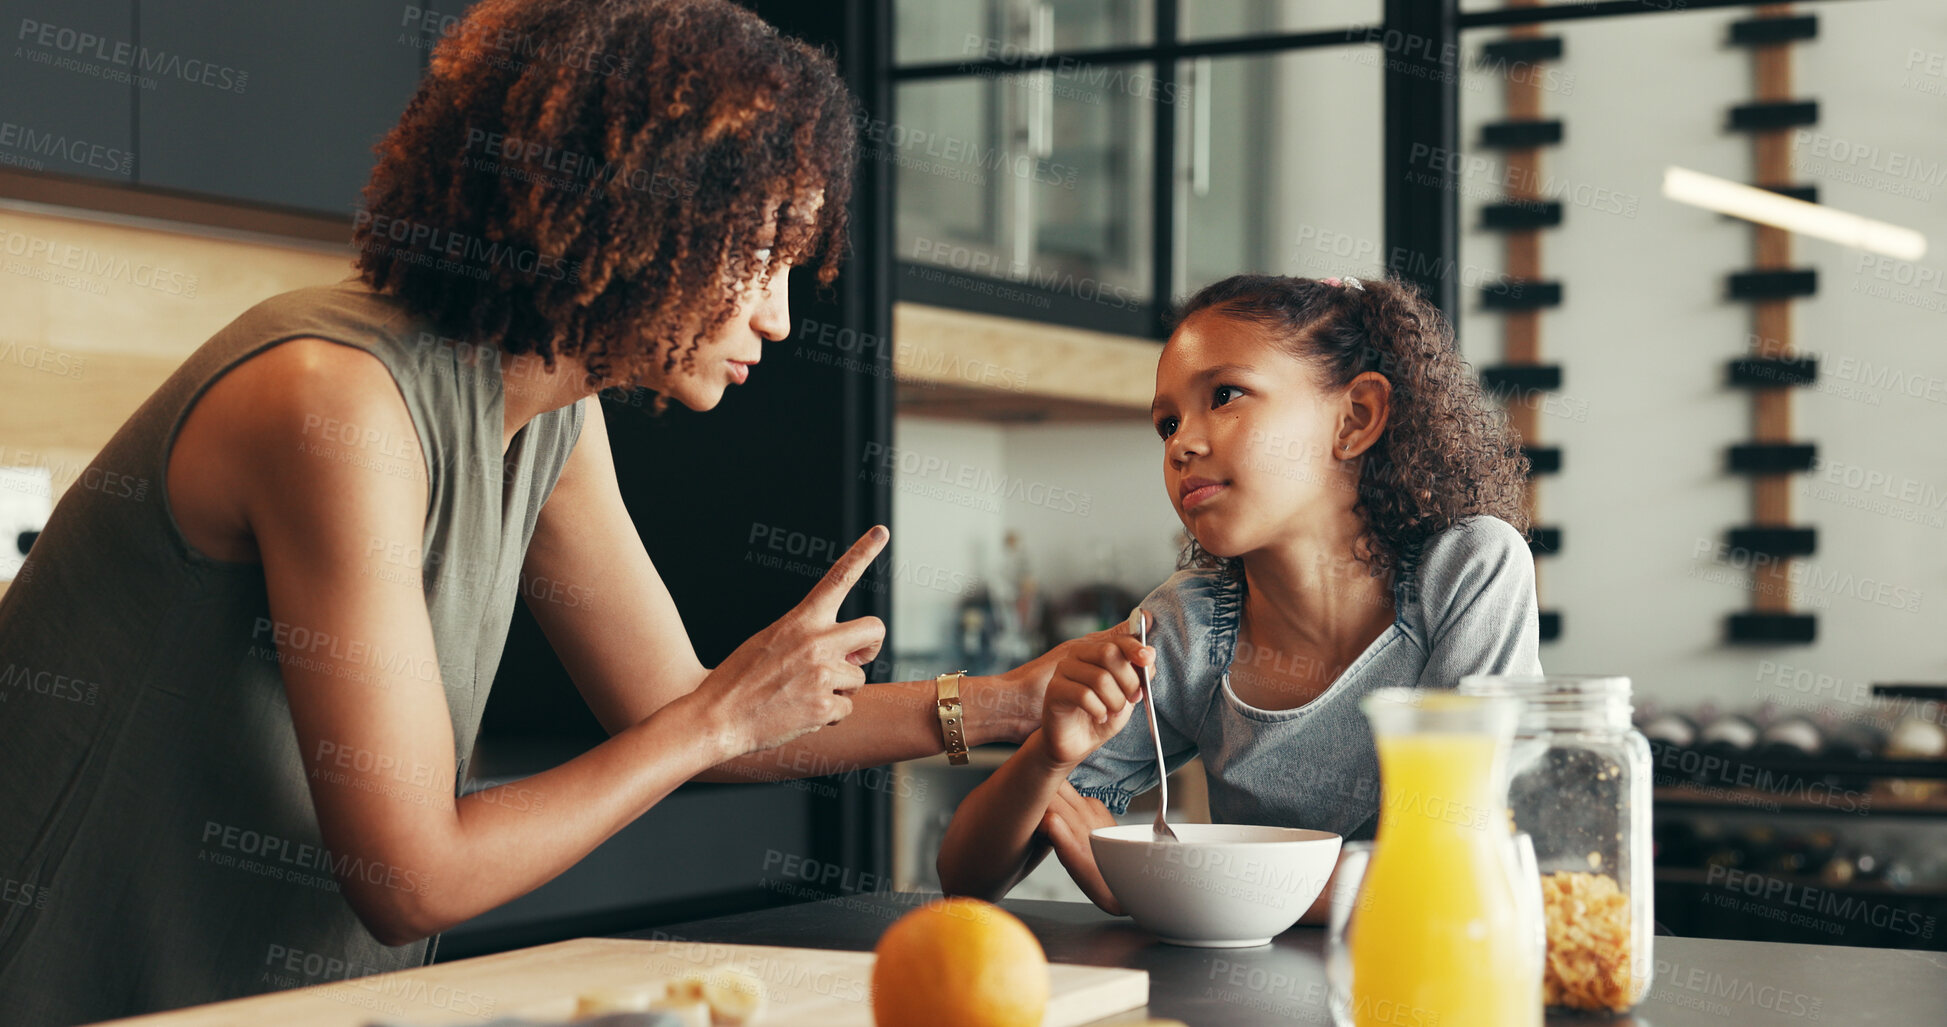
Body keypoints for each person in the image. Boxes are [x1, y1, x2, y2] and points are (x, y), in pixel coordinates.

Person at [0, 2, 1068, 1023]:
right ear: (637, 208)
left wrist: (1007, 704)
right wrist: (714, 717)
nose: (781, 317)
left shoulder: (555, 417)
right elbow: (412, 877)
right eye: (760, 256)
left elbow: (686, 710)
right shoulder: (336, 402)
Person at [936, 273, 1543, 918]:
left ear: (1355, 418)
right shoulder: (1184, 626)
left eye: (1225, 395)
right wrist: (1048, 759)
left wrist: (1172, 881)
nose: (1181, 445)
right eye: (1166, 424)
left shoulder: (1469, 568)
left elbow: (1454, 869)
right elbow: (965, 880)